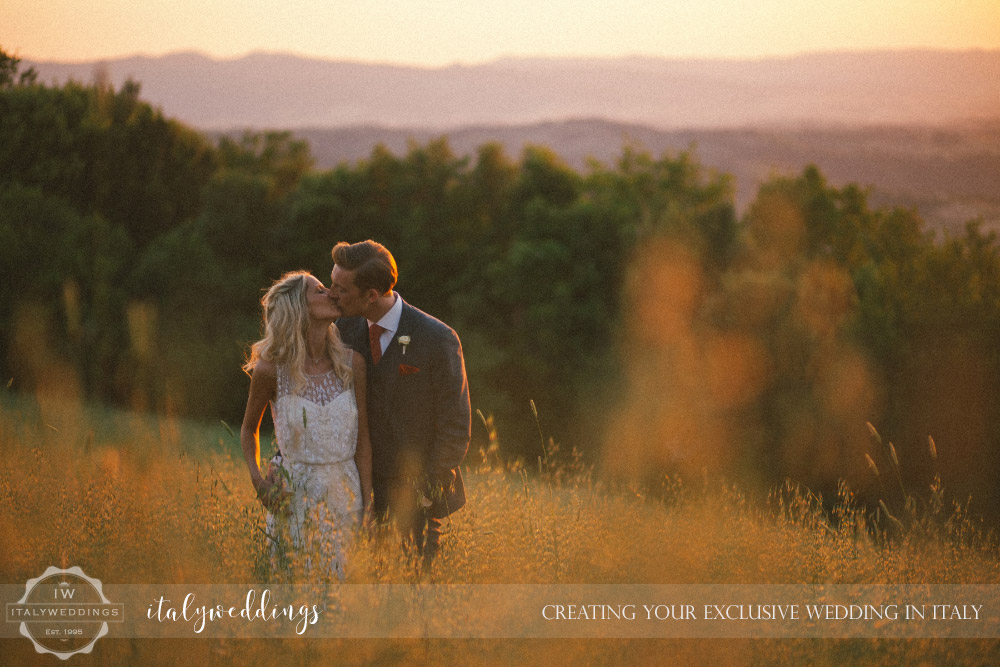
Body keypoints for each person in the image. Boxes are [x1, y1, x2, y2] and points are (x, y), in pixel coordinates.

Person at [329, 240, 470, 567]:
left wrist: (423, 491)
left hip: (414, 498)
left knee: (411, 597)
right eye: (331, 284)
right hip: (353, 491)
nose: (331, 294)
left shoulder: (438, 338)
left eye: (341, 289)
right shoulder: (342, 328)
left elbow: (456, 426)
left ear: (371, 295)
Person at [240, 271, 373, 580]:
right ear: (298, 308)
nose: (332, 294)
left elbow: (363, 438)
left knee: (342, 600)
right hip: (293, 500)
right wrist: (259, 482)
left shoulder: (352, 364)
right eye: (320, 291)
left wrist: (368, 503)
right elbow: (248, 430)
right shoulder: (271, 369)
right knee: (295, 598)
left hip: (346, 495)